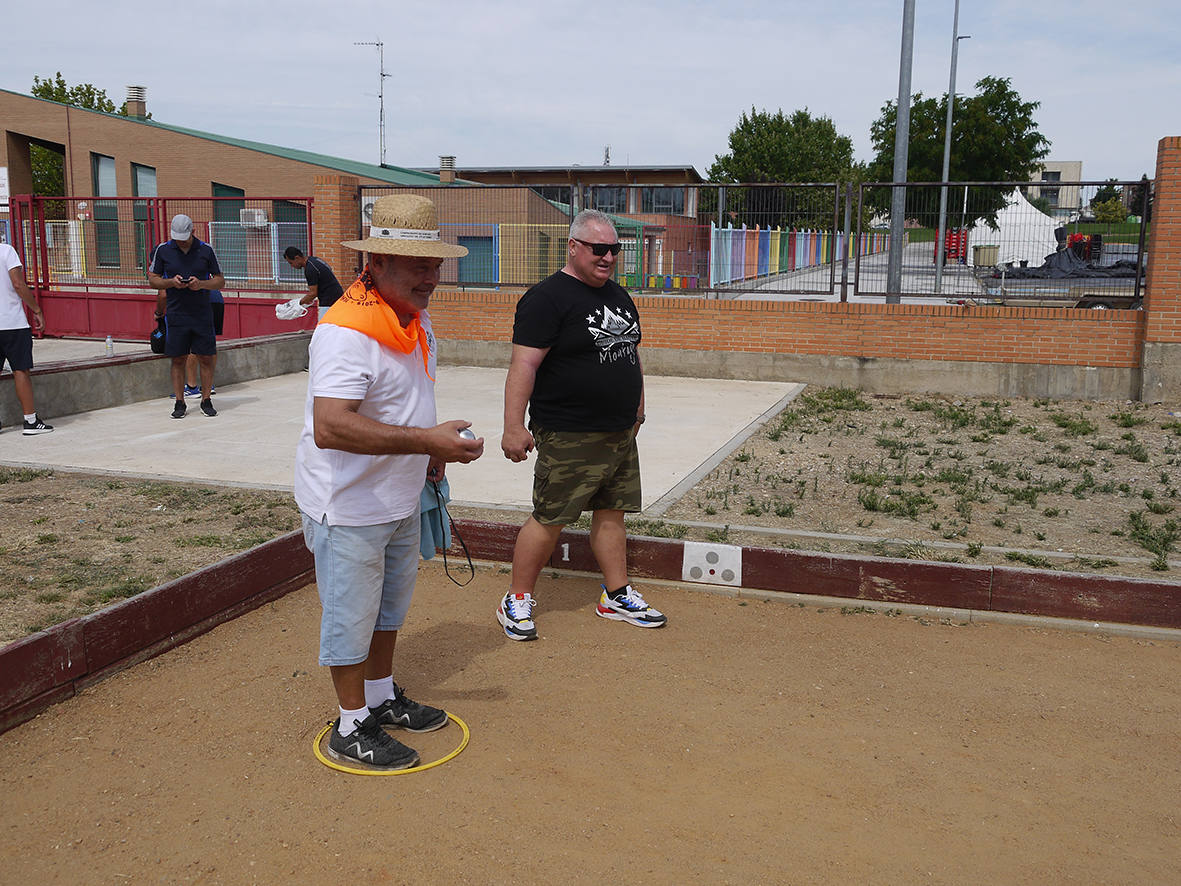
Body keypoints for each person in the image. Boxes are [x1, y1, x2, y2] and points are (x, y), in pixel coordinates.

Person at [295, 194, 483, 770]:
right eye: (417, 264)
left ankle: (379, 695)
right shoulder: (346, 333)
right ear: (375, 265)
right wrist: (427, 442)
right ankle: (351, 725)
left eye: (435, 263)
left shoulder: (411, 320)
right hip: (349, 505)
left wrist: (432, 449)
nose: (432, 277)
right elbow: (330, 426)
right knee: (351, 613)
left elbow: (404, 402)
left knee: (387, 608)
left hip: (398, 495)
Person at [498, 209, 665, 641]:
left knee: (612, 513)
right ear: (573, 246)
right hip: (568, 430)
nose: (608, 257)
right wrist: (513, 427)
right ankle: (516, 598)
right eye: (598, 249)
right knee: (550, 517)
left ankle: (616, 594)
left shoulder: (619, 296)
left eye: (614, 249)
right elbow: (524, 365)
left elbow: (632, 354)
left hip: (619, 432)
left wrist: (638, 411)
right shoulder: (546, 298)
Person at [147, 215, 225, 418]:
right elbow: (153, 280)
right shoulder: (164, 250)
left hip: (201, 312)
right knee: (178, 358)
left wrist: (201, 284)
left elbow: (219, 281)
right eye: (177, 237)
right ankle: (179, 402)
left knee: (206, 357)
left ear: (193, 231)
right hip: (176, 313)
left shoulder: (206, 250)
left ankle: (206, 399)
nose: (180, 241)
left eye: (184, 237)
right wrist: (171, 282)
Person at [0, 240, 54, 434]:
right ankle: (30, 421)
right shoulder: (6, 251)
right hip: (12, 323)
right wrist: (37, 309)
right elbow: (17, 283)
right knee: (20, 370)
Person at [283, 247, 344, 321]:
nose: (292, 266)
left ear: (297, 258)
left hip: (328, 302)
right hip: (338, 297)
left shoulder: (310, 269)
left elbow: (313, 293)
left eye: (291, 263)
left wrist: (297, 303)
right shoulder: (314, 260)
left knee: (323, 329)